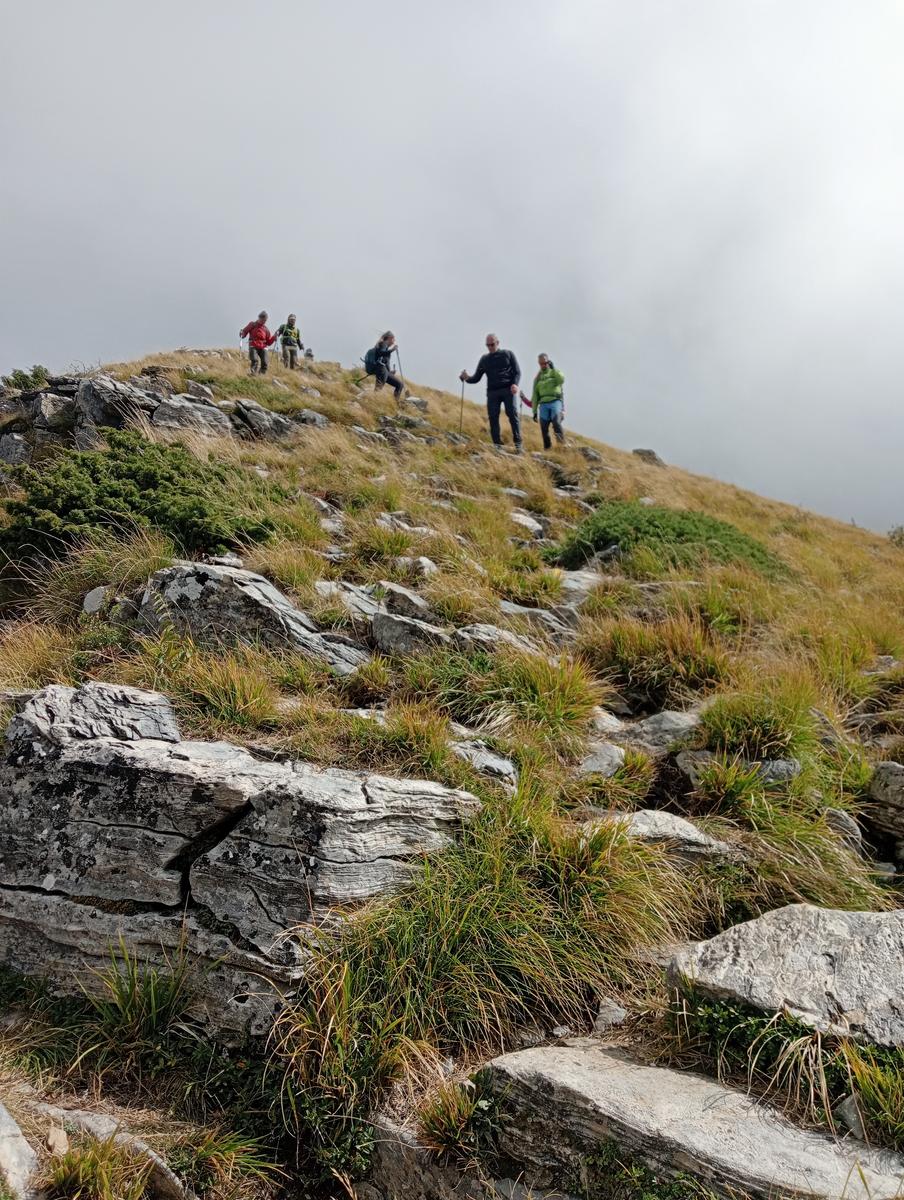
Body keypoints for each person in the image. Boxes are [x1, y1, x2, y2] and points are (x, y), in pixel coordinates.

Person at [459, 334, 522, 453]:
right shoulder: (484, 359)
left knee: (512, 415)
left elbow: (517, 372)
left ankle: (518, 444)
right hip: (492, 392)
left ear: (498, 343)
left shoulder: (508, 354)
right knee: (493, 418)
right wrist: (466, 378)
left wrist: (515, 384)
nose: (490, 347)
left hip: (508, 389)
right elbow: (476, 378)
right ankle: (497, 445)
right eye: (487, 345)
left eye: (492, 344)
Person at [531, 354, 566, 449]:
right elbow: (535, 395)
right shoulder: (537, 378)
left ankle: (562, 446)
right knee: (544, 427)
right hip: (543, 404)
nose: (544, 365)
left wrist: (553, 368)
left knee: (556, 423)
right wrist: (534, 412)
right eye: (541, 363)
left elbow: (561, 380)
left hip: (555, 401)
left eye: (545, 363)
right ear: (539, 364)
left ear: (548, 361)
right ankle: (547, 448)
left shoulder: (555, 372)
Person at [364, 331, 404, 400]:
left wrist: (390, 372)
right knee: (379, 389)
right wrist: (392, 350)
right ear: (390, 338)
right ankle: (374, 401)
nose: (394, 342)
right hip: (380, 369)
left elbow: (385, 361)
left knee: (400, 384)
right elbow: (381, 353)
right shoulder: (383, 344)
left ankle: (395, 404)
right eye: (394, 339)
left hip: (383, 370)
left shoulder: (385, 346)